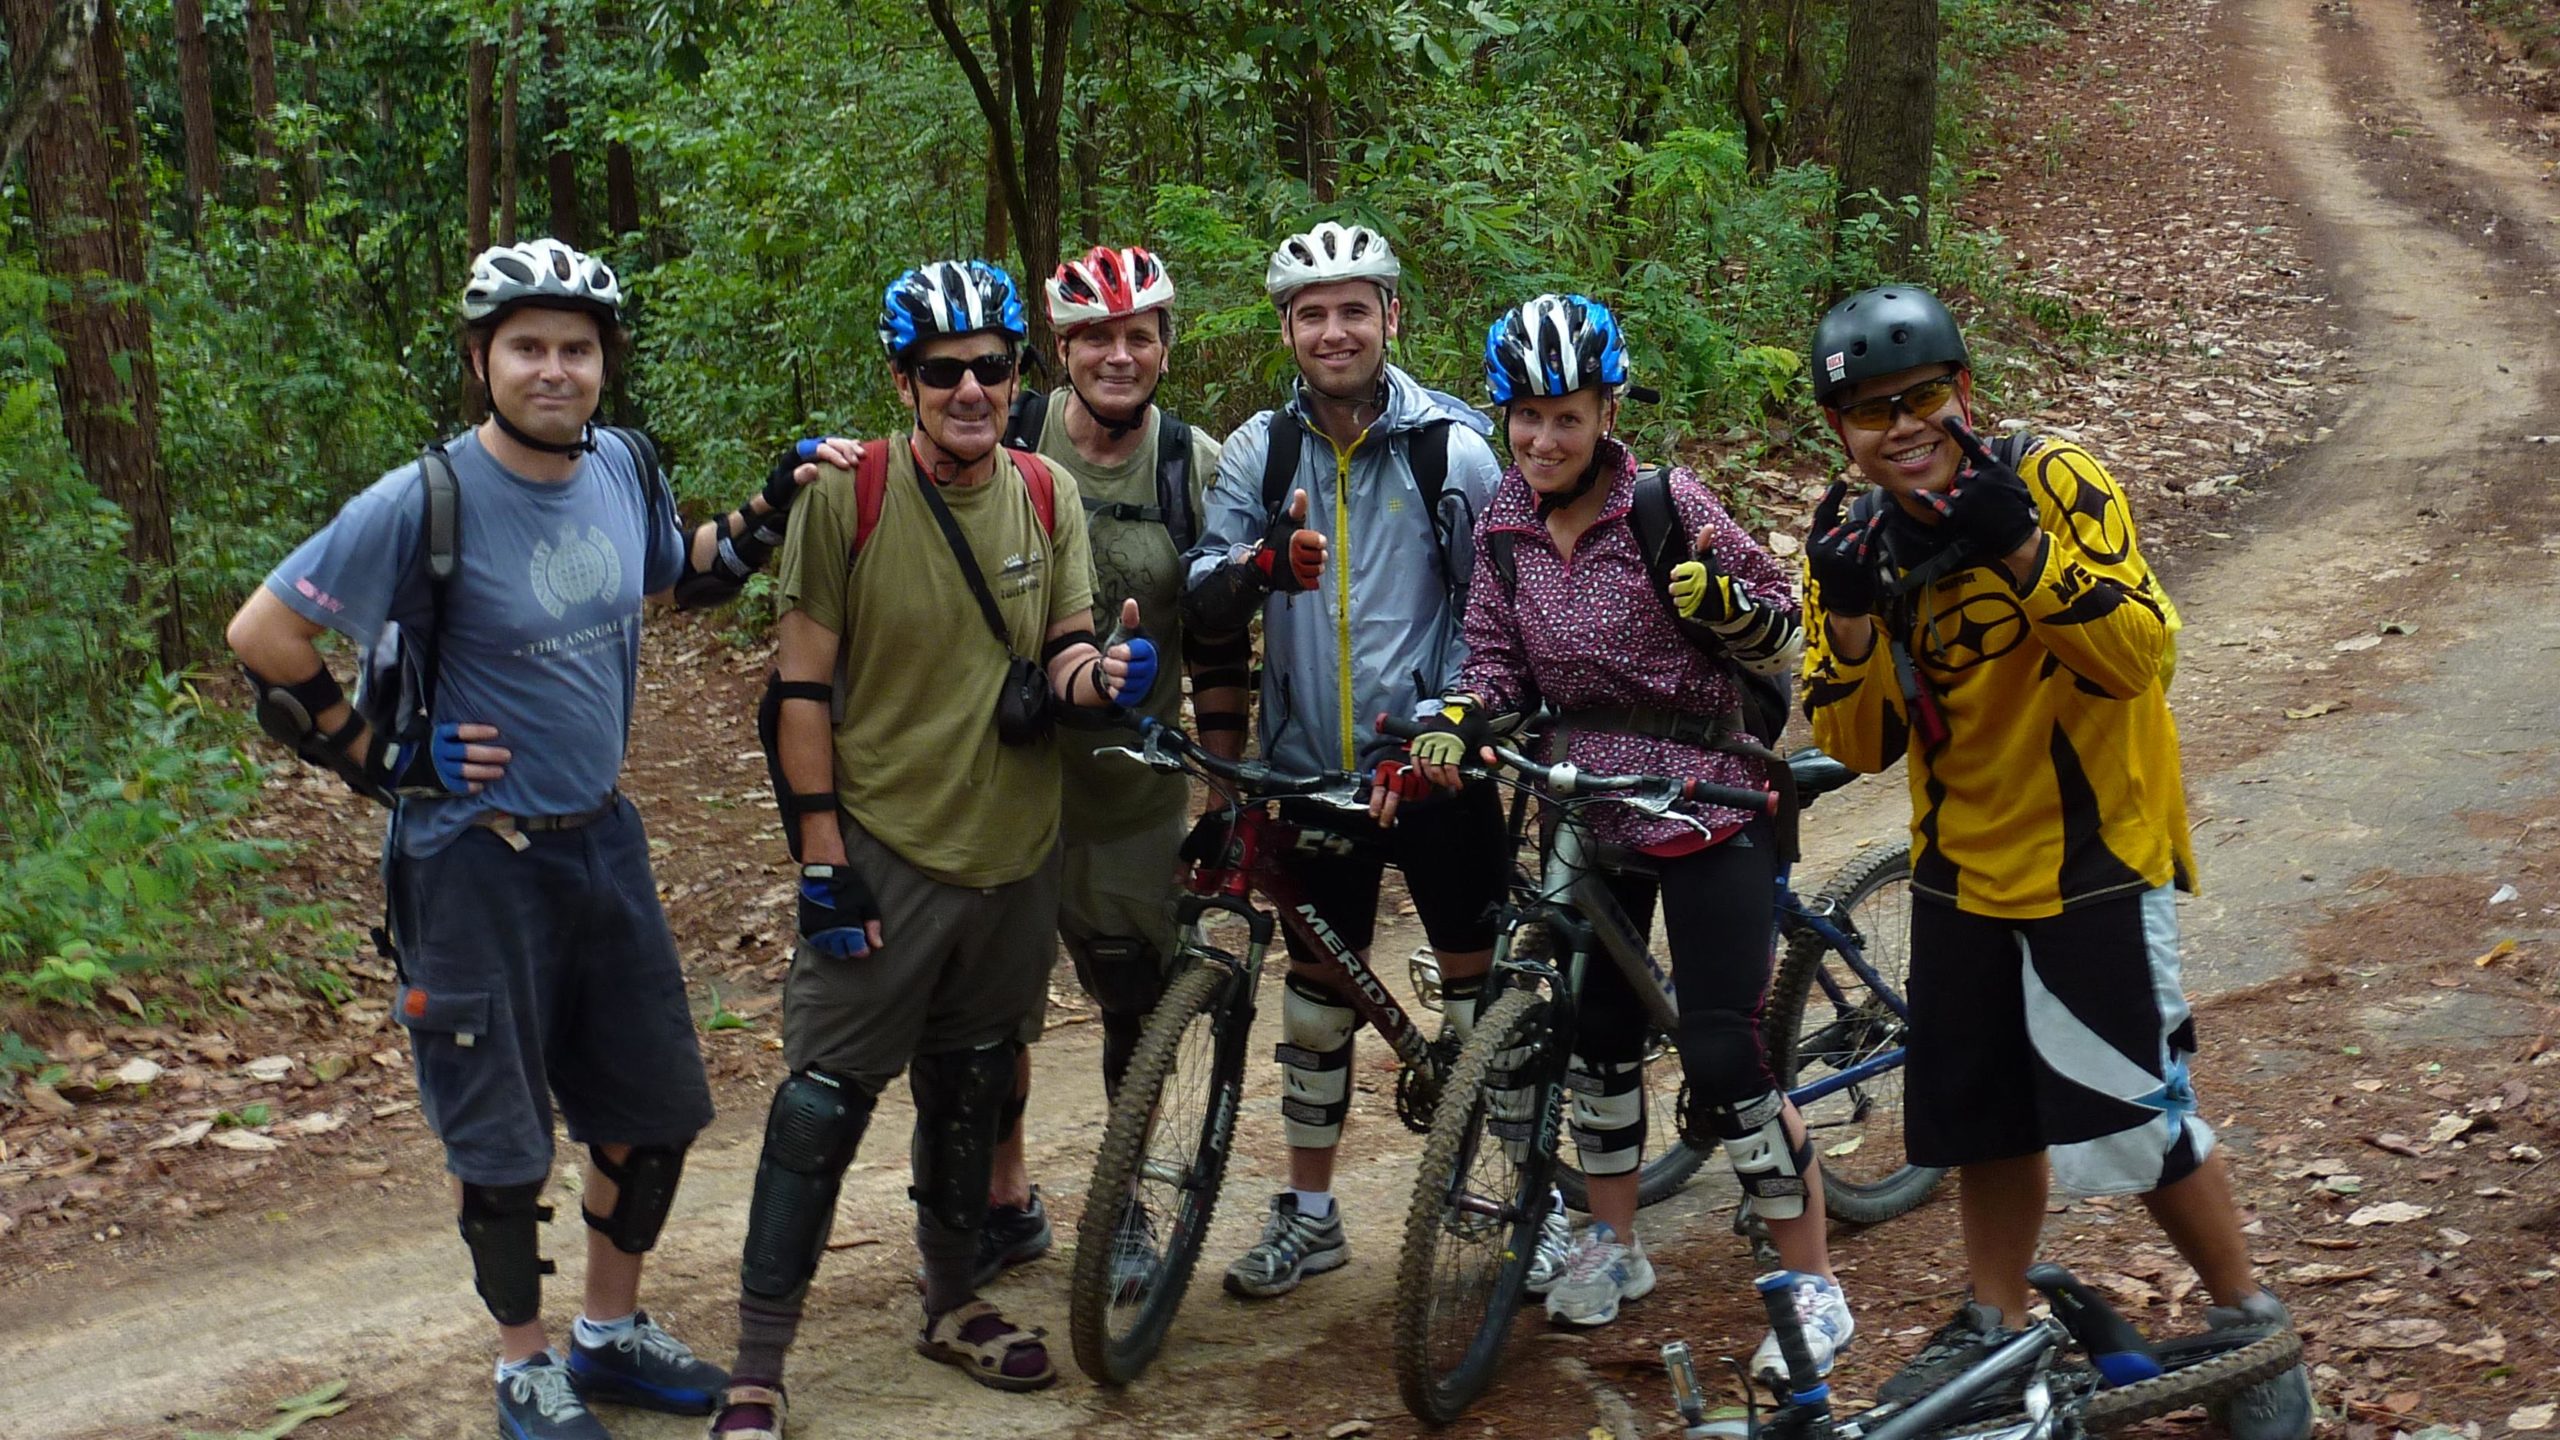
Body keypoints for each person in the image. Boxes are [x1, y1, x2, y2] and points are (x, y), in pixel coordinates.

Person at [227, 237, 821, 1440]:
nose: (555, 369)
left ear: (605, 363)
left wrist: (769, 502)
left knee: (650, 1112)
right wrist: (386, 762)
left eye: (577, 348)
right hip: (469, 860)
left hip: (598, 836)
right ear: (481, 359)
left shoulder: (619, 465)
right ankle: (523, 1364)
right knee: (500, 1139)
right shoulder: (423, 499)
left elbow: (677, 575)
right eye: (528, 347)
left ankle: (607, 1335)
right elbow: (264, 636)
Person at [1798, 284, 2310, 1437]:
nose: (1902, 425)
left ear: (1962, 390)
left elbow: (2141, 656)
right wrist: (1841, 615)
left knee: (2136, 1111)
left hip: (2092, 851)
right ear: (1841, 430)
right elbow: (1857, 741)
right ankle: (1990, 1318)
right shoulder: (1854, 532)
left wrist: (2020, 546)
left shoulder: (2054, 478)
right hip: (1958, 861)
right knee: (1984, 1115)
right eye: (1871, 412)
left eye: (1921, 396)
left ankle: (2249, 1327)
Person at [708, 258, 1157, 1436]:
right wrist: (820, 854)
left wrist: (1102, 676)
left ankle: (952, 1299)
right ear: (902, 382)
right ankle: (759, 1361)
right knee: (820, 1103)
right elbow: (797, 688)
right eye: (943, 371)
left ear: (1018, 374)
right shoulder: (843, 498)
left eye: (991, 367)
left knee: (970, 1087)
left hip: (1016, 854)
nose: (970, 389)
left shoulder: (1048, 492)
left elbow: (1057, 656)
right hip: (887, 846)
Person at [1405, 293, 1851, 1364]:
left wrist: (1726, 606)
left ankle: (1812, 1283)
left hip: (1705, 793)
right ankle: (1610, 1243)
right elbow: (1493, 658)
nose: (1541, 438)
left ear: (1607, 408)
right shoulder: (1506, 524)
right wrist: (1460, 718)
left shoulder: (1665, 503)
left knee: (1721, 1053)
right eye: (1524, 416)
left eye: (1565, 415)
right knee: (1596, 1037)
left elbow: (1782, 621)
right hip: (1582, 801)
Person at [1180, 220, 1506, 1300]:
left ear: (1390, 318)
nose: (1334, 330)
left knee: (1474, 989)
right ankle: (1309, 1215)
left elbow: (1492, 605)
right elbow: (1200, 586)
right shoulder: (1257, 453)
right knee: (1317, 997)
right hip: (1311, 768)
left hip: (1435, 766)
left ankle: (1493, 1195)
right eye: (1312, 312)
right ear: (1285, 327)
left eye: (1353, 309)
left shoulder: (1450, 447)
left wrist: (1449, 722)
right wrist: (1259, 565)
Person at [974, 244, 1244, 1289]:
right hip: (1002, 781)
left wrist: (1221, 798)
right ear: (1060, 348)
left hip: (1130, 792)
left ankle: (1123, 1204)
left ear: (1166, 348)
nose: (1117, 355)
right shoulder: (1010, 430)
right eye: (1095, 337)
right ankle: (999, 1202)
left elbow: (1219, 643)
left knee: (1133, 1006)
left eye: (1138, 335)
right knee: (993, 1011)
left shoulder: (1195, 466)